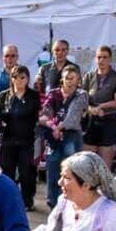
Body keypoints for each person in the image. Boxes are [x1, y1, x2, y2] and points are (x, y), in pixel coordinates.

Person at [40, 66, 88, 209]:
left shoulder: (81, 94)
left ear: (78, 80)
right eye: (67, 77)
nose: (69, 81)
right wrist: (53, 127)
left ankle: (71, 203)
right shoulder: (53, 93)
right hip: (52, 136)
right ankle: (53, 204)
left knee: (71, 171)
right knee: (53, 169)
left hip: (71, 136)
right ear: (62, 79)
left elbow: (72, 118)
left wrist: (58, 128)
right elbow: (44, 114)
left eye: (72, 78)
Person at [0, 65, 40, 209]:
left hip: (27, 140)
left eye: (22, 77)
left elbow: (39, 116)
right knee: (7, 173)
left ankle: (27, 201)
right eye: (15, 77)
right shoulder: (4, 96)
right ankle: (8, 201)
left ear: (27, 79)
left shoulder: (33, 96)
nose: (18, 80)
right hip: (8, 140)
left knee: (27, 173)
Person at [82, 46, 116, 169]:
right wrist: (91, 109)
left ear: (110, 59)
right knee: (87, 162)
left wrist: (100, 107)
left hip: (108, 121)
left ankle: (105, 187)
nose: (101, 60)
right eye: (99, 57)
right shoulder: (89, 76)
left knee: (105, 164)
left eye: (104, 57)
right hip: (90, 122)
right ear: (95, 59)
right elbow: (82, 99)